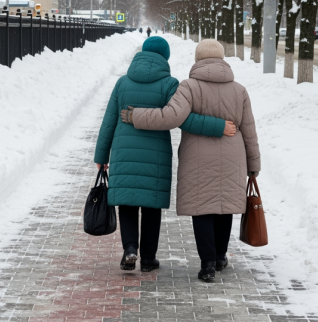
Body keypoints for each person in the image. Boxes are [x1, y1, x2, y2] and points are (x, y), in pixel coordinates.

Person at [120, 39, 260, 282]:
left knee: (202, 207)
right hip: (232, 156)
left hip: (197, 158)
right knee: (224, 207)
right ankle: (219, 257)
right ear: (222, 58)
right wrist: (254, 165)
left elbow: (170, 117)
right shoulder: (240, 90)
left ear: (198, 60)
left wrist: (136, 115)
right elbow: (249, 130)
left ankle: (207, 265)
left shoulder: (188, 87)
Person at [94, 37, 236, 273]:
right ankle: (148, 259)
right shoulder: (170, 84)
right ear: (165, 58)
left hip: (123, 151)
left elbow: (108, 121)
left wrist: (101, 156)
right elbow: (184, 119)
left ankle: (130, 249)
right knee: (151, 206)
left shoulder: (122, 83)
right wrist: (219, 127)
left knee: (127, 203)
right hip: (156, 154)